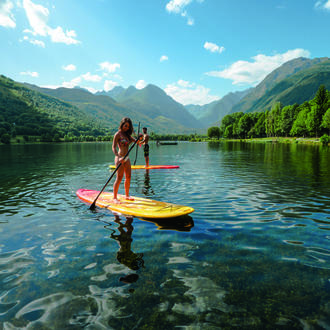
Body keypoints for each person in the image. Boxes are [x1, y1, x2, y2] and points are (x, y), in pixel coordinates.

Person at [112, 117, 140, 203]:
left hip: (127, 158)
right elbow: (113, 147)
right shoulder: (117, 134)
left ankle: (127, 196)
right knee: (119, 177)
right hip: (119, 158)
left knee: (128, 177)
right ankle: (115, 198)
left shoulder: (128, 135)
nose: (127, 128)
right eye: (125, 126)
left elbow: (138, 142)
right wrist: (118, 156)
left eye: (128, 126)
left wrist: (140, 138)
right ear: (122, 124)